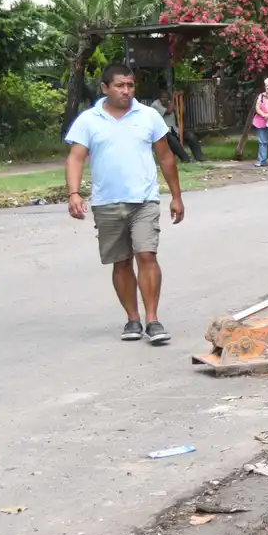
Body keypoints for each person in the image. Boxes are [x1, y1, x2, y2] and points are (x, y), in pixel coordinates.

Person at [64, 63, 185, 345]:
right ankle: (133, 319)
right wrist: (73, 193)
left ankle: (153, 320)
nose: (126, 91)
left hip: (144, 200)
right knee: (121, 262)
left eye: (130, 85)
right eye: (120, 86)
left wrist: (176, 196)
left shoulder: (149, 116)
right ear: (105, 88)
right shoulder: (88, 120)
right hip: (106, 203)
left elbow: (166, 158)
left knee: (147, 255)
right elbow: (76, 158)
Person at [150, 91, 205, 163]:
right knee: (171, 138)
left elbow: (181, 112)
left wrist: (180, 99)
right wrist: (173, 98)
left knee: (190, 135)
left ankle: (199, 156)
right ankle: (185, 158)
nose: (164, 99)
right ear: (159, 98)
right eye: (162, 97)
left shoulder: (170, 103)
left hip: (174, 130)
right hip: (162, 133)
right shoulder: (155, 104)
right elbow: (169, 111)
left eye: (166, 97)